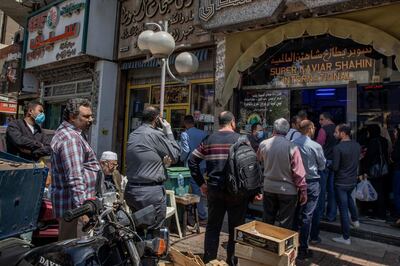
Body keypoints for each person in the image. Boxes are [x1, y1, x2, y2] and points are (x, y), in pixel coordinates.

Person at [188, 111, 247, 266]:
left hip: (214, 190)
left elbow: (192, 161)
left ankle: (209, 260)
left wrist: (201, 183)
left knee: (213, 227)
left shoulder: (209, 139)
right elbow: (250, 166)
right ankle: (232, 261)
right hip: (236, 192)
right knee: (236, 229)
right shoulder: (240, 139)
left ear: (219, 123)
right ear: (233, 122)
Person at [50, 98, 100, 240]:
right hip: (74, 210)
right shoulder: (71, 139)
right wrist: (82, 211)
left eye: (91, 115)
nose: (91, 119)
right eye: (86, 116)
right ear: (72, 117)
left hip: (74, 208)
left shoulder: (73, 134)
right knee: (74, 253)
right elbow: (75, 177)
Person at [124, 106, 180, 230]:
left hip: (132, 191)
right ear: (157, 119)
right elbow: (175, 155)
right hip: (150, 193)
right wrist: (169, 132)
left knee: (138, 230)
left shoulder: (134, 134)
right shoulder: (155, 134)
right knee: (154, 232)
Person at [257, 118, 307, 229]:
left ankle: (267, 244)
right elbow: (298, 173)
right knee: (285, 224)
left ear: (274, 130)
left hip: (269, 188)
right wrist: (303, 190)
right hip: (288, 191)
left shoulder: (263, 144)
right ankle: (281, 245)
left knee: (267, 220)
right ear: (287, 131)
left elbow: (258, 161)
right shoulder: (292, 147)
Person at [293, 120, 326, 260]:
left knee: (294, 214)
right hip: (311, 182)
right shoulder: (315, 146)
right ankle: (303, 249)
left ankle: (291, 245)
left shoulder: (292, 143)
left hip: (294, 182)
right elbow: (322, 165)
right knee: (307, 216)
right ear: (311, 129)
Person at [331, 124, 361, 245]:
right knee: (349, 200)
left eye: (336, 132)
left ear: (343, 133)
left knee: (343, 209)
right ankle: (355, 220)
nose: (335, 134)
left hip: (341, 181)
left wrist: (328, 164)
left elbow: (335, 167)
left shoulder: (338, 148)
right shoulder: (357, 145)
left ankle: (346, 237)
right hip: (352, 180)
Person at [180, 115, 208, 222]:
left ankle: (201, 214)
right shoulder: (203, 133)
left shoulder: (185, 134)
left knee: (194, 189)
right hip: (203, 165)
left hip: (191, 166)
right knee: (200, 187)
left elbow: (186, 151)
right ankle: (195, 211)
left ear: (185, 123)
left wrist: (181, 159)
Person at [360, 124, 389, 220]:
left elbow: (369, 157)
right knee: (381, 191)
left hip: (374, 170)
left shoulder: (372, 142)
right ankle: (381, 212)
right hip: (383, 170)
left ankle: (379, 214)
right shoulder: (384, 140)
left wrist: (365, 170)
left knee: (376, 191)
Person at [316, 112, 338, 222]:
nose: (320, 122)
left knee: (322, 190)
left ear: (327, 119)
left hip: (324, 163)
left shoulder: (323, 130)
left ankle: (319, 214)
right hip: (335, 163)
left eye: (321, 119)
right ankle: (331, 215)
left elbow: (318, 146)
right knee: (332, 190)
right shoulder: (339, 130)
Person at [392, 127, 400, 228]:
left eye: (395, 132)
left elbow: (395, 156)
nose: (393, 133)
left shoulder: (398, 143)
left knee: (397, 194)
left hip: (398, 170)